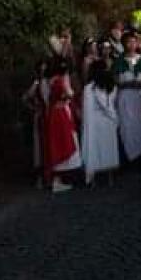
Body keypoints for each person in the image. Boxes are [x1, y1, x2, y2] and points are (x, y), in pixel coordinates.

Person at [81, 60, 120, 186]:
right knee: (108, 148)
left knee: (97, 149)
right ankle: (109, 178)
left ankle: (96, 178)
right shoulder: (110, 86)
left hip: (97, 122)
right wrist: (115, 118)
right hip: (107, 121)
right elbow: (110, 105)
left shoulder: (90, 88)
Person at [45, 61, 82, 193]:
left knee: (59, 142)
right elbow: (69, 94)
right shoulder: (60, 80)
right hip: (61, 113)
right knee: (65, 141)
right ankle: (59, 178)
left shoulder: (50, 81)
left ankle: (60, 177)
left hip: (56, 113)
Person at [114, 32, 141, 163]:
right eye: (128, 42)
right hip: (126, 97)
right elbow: (116, 80)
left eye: (133, 42)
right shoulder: (119, 60)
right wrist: (126, 83)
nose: (131, 45)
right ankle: (130, 156)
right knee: (128, 126)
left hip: (140, 96)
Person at [21, 59, 50, 189]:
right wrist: (34, 108)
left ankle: (49, 176)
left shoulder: (50, 82)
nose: (43, 70)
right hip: (41, 117)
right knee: (40, 147)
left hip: (49, 115)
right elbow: (25, 98)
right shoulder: (37, 83)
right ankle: (40, 178)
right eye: (41, 69)